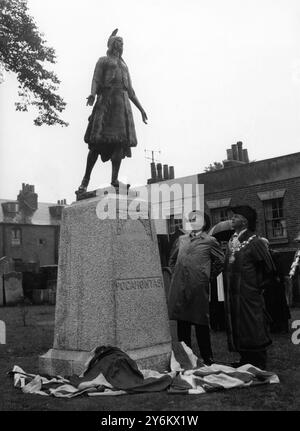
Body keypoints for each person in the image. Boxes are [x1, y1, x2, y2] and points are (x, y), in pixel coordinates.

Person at [77, 29, 148, 194]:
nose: (121, 45)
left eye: (122, 43)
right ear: (111, 44)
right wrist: (92, 94)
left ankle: (114, 179)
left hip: (122, 105)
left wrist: (141, 109)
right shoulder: (103, 61)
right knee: (96, 145)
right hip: (106, 102)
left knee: (119, 145)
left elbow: (130, 90)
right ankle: (84, 181)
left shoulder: (124, 65)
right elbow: (95, 79)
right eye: (118, 42)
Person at [168, 212, 225, 365]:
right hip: (180, 287)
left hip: (198, 287)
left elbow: (220, 261)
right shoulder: (181, 239)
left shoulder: (210, 241)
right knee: (182, 323)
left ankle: (207, 357)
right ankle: (185, 356)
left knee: (201, 322)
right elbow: (172, 260)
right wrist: (176, 275)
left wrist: (206, 277)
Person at [224, 206, 275, 369]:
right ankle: (245, 358)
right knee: (239, 325)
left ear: (244, 221)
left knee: (252, 325)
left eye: (235, 217)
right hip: (234, 294)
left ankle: (258, 361)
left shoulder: (255, 242)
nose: (232, 219)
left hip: (249, 294)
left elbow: (270, 269)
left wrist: (256, 289)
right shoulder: (232, 241)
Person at [261, 238, 290, 333]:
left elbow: (280, 270)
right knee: (271, 306)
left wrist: (279, 279)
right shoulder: (263, 256)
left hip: (276, 285)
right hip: (269, 285)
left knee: (280, 306)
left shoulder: (275, 254)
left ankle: (283, 327)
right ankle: (274, 326)